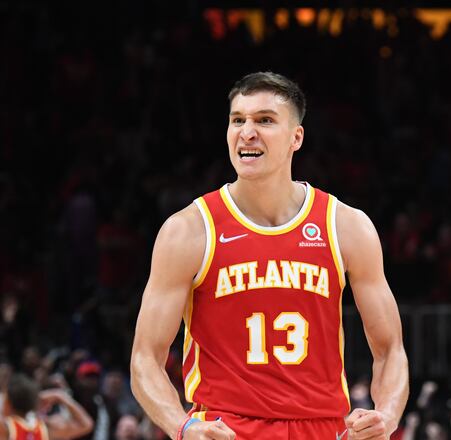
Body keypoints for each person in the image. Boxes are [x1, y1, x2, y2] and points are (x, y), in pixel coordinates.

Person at [130, 72, 408, 440]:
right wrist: (183, 425)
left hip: (322, 428)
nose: (247, 132)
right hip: (226, 429)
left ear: (297, 138)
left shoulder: (346, 226)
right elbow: (144, 359)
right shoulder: (189, 230)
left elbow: (390, 350)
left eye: (264, 120)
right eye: (237, 120)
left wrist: (386, 415)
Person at [0, 373, 94, 440]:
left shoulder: (5, 428)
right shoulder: (46, 429)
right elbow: (86, 424)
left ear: (8, 403)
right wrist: (60, 396)